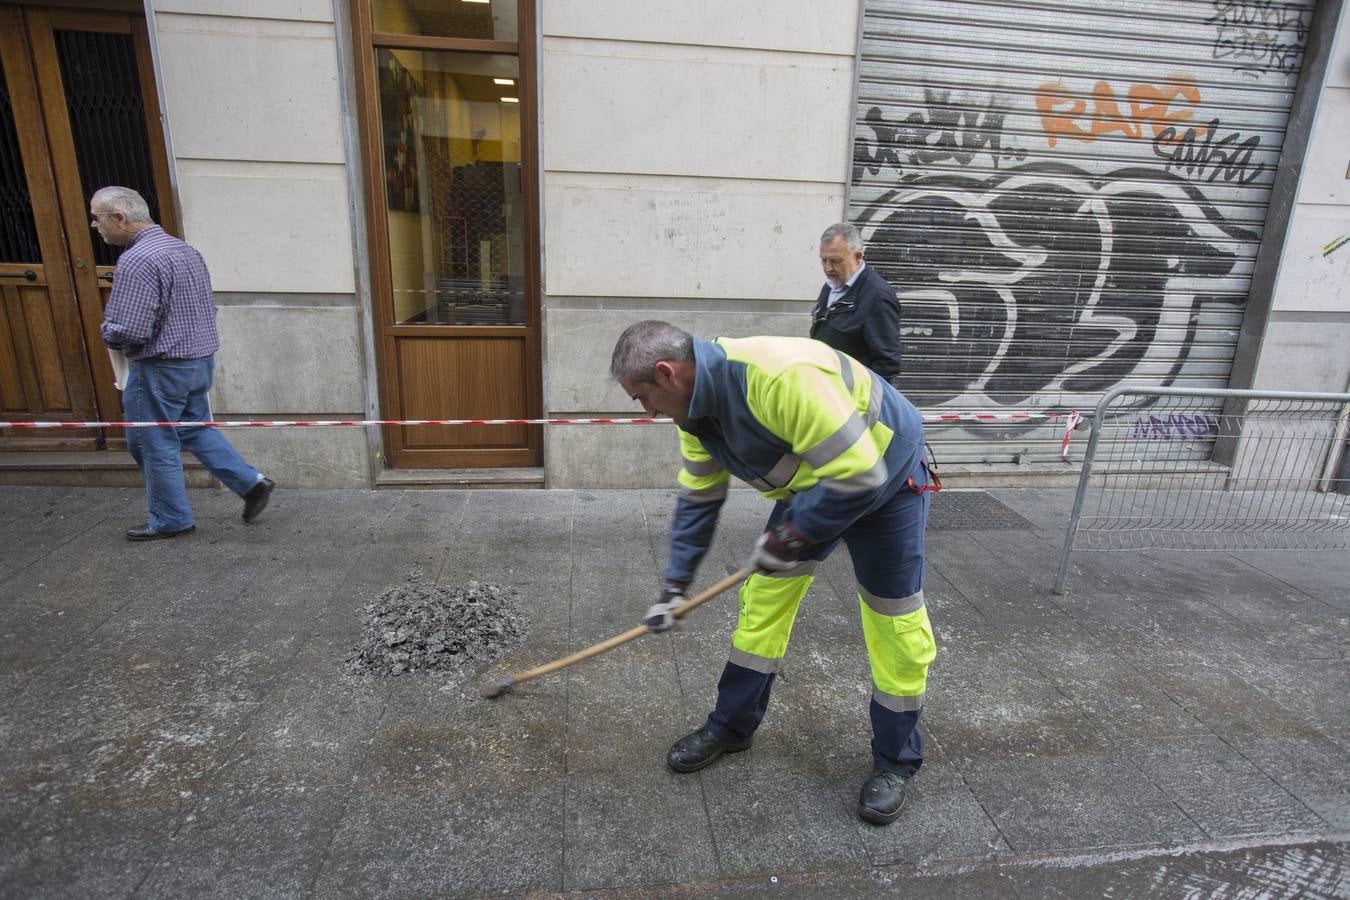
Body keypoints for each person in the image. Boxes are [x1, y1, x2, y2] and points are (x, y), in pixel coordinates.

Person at [610, 320, 938, 826]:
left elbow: (859, 473)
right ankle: (731, 727)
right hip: (818, 485)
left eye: (642, 399)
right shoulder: (695, 416)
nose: (648, 412)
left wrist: (787, 538)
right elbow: (699, 500)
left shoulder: (780, 377)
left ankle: (895, 762)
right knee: (763, 601)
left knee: (893, 621)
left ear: (666, 373)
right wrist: (674, 586)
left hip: (886, 479)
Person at [92, 186, 274, 541]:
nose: (95, 227)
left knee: (151, 441)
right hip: (198, 359)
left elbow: (131, 327)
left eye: (97, 219)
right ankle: (250, 483)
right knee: (193, 428)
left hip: (161, 366)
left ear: (119, 217)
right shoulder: (184, 250)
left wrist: (108, 333)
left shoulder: (138, 259)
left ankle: (171, 518)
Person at [810, 222, 903, 386]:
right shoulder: (831, 286)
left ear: (858, 256)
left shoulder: (878, 296)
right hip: (827, 392)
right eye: (823, 260)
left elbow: (887, 364)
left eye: (835, 261)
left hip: (853, 401)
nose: (828, 268)